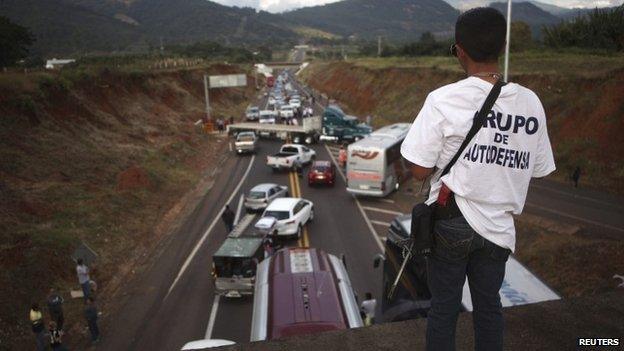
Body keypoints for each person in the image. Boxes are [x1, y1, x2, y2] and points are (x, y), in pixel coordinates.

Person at [400, 8, 555, 351]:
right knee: (489, 308)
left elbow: (420, 170)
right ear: (501, 47)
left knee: (444, 310)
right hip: (499, 229)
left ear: (459, 51)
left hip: (452, 220)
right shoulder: (530, 102)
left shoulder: (443, 99)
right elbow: (540, 167)